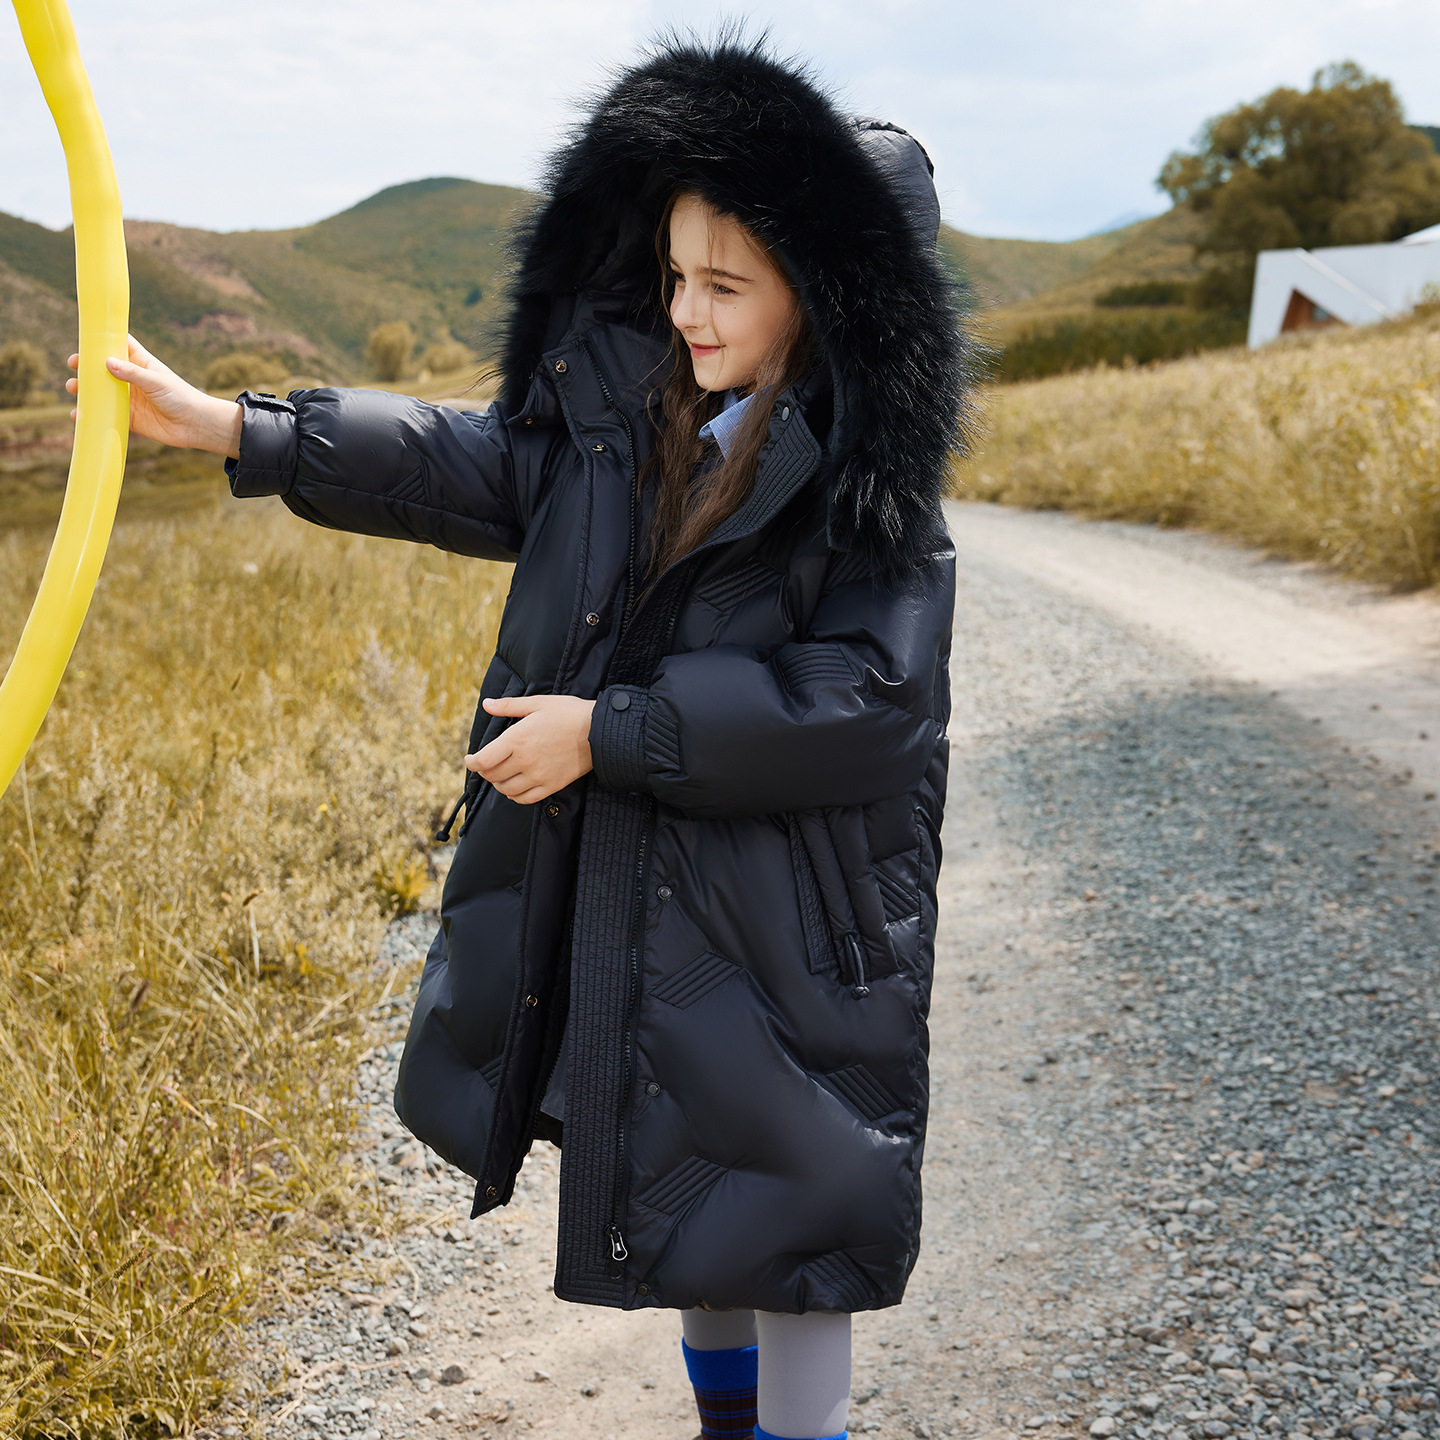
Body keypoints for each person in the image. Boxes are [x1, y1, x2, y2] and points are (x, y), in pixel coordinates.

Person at [70, 29, 972, 1440]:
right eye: (672, 275)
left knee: (798, 1249)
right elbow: (461, 459)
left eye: (725, 283)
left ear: (832, 296)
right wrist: (239, 428)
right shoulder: (638, 435)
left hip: (804, 939)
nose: (686, 308)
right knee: (689, 1198)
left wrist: (611, 734)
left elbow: (863, 706)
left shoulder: (875, 509)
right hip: (671, 924)